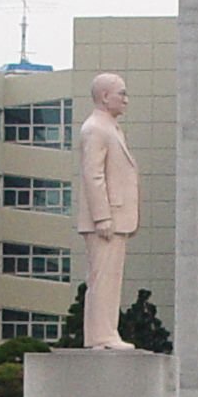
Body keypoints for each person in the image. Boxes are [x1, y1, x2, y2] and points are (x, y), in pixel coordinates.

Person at [74, 73, 140, 349]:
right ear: (104, 96)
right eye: (121, 93)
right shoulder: (96, 128)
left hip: (116, 217)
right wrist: (102, 216)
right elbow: (93, 175)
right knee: (103, 279)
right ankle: (102, 335)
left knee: (110, 279)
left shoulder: (109, 127)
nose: (125, 99)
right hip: (106, 218)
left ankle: (105, 333)